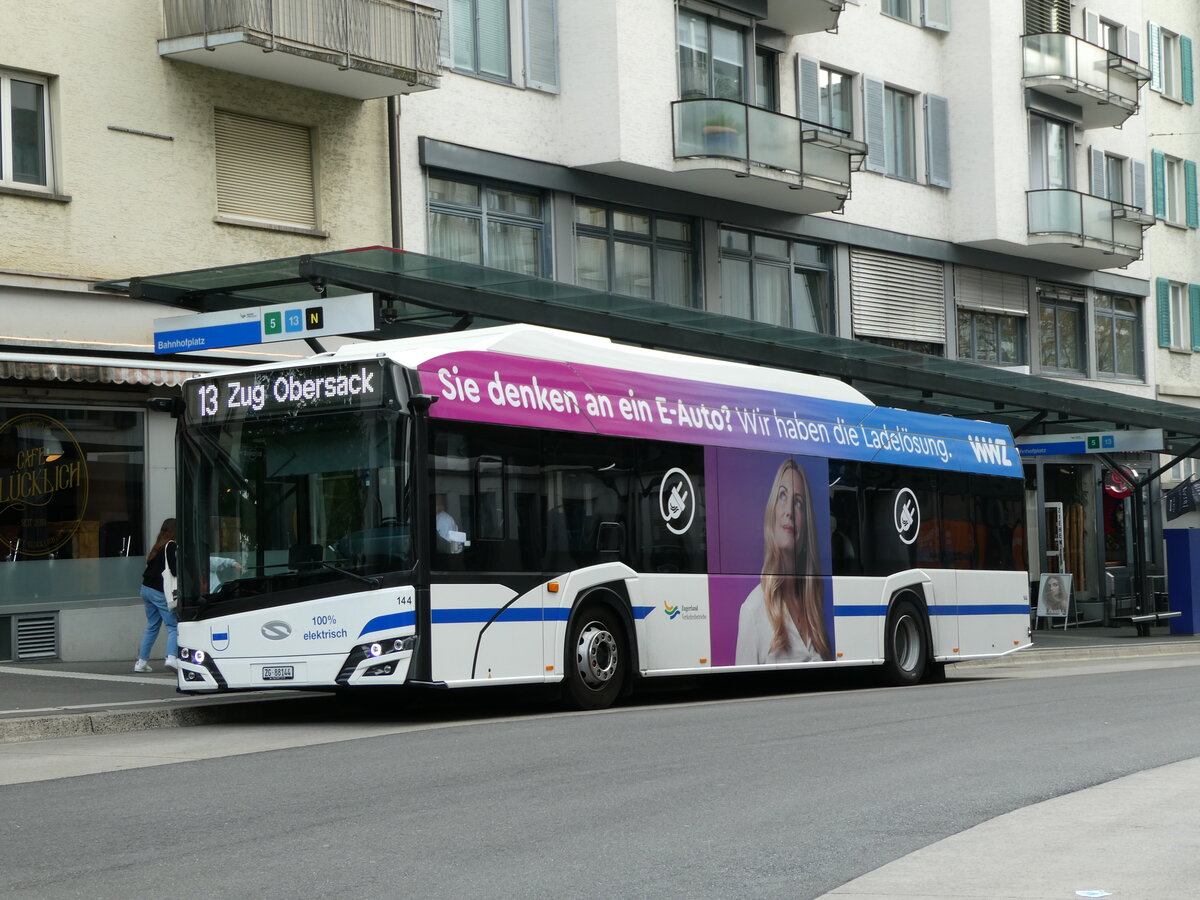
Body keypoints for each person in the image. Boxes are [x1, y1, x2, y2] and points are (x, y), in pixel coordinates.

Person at [736, 459, 832, 664]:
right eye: (782, 495)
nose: (789, 510)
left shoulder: (815, 604)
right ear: (772, 513)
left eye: (798, 502)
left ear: (806, 523)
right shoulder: (753, 611)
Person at [135, 517, 179, 673]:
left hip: (146, 589)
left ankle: (141, 662)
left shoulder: (158, 546)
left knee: (152, 626)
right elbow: (173, 570)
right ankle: (172, 658)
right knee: (174, 626)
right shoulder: (171, 545)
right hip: (159, 591)